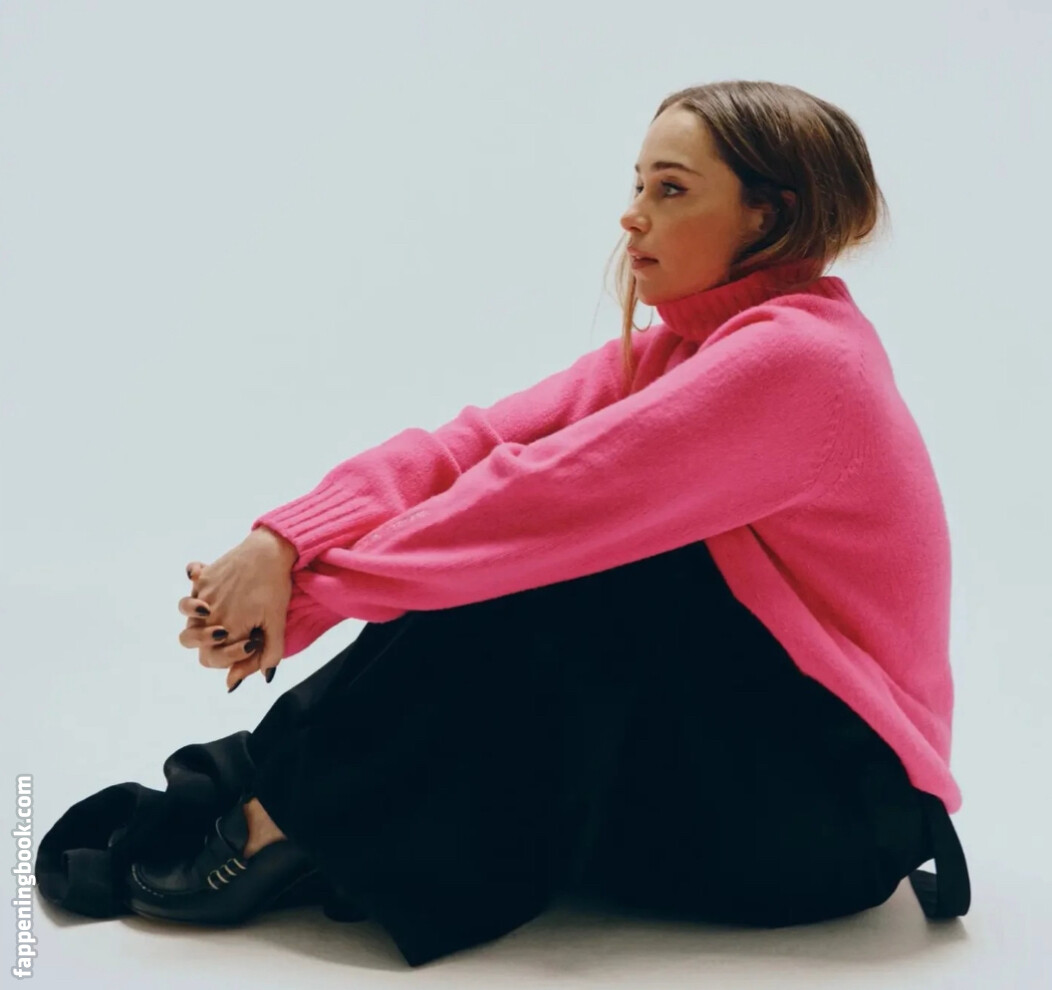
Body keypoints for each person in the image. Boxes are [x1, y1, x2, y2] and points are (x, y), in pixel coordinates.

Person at [36, 79, 970, 969]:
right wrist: (282, 542)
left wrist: (312, 598)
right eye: (637, 185)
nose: (632, 215)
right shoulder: (685, 350)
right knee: (540, 555)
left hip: (834, 813)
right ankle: (316, 812)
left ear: (769, 215)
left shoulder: (799, 360)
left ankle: (288, 817)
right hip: (752, 770)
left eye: (672, 189)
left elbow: (543, 500)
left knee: (587, 566)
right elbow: (477, 446)